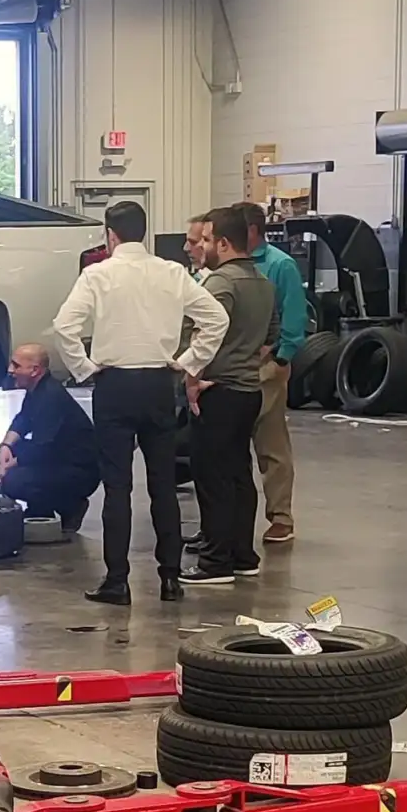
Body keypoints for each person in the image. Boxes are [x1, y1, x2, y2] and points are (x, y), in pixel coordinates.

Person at [53, 200, 230, 606]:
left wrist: (84, 367)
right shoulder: (172, 272)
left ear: (110, 234)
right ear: (144, 232)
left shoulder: (97, 275)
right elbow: (216, 319)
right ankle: (170, 578)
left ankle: (117, 581)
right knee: (162, 485)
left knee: (117, 488)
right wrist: (187, 362)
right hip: (158, 384)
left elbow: (66, 326)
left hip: (113, 385)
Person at [180, 207, 279, 585]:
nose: (201, 246)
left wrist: (194, 377)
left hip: (217, 391)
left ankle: (215, 561)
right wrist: (245, 359)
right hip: (249, 389)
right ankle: (242, 554)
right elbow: (271, 336)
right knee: (238, 473)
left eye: (206, 240)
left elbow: (205, 336)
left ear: (223, 243)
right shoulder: (263, 283)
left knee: (212, 476)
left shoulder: (220, 284)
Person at [232, 201, 307, 545]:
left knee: (271, 445)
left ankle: (280, 516)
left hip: (266, 366)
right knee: (229, 446)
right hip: (232, 366)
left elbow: (294, 317)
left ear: (251, 231)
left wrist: (280, 358)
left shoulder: (280, 266)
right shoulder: (228, 266)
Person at [0, 344, 100, 533]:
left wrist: (7, 468)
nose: (11, 370)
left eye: (16, 365)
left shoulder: (50, 397)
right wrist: (5, 447)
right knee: (16, 451)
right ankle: (41, 508)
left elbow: (43, 446)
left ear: (35, 370)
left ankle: (69, 505)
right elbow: (23, 419)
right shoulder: (38, 389)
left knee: (13, 481)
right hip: (59, 458)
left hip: (79, 472)